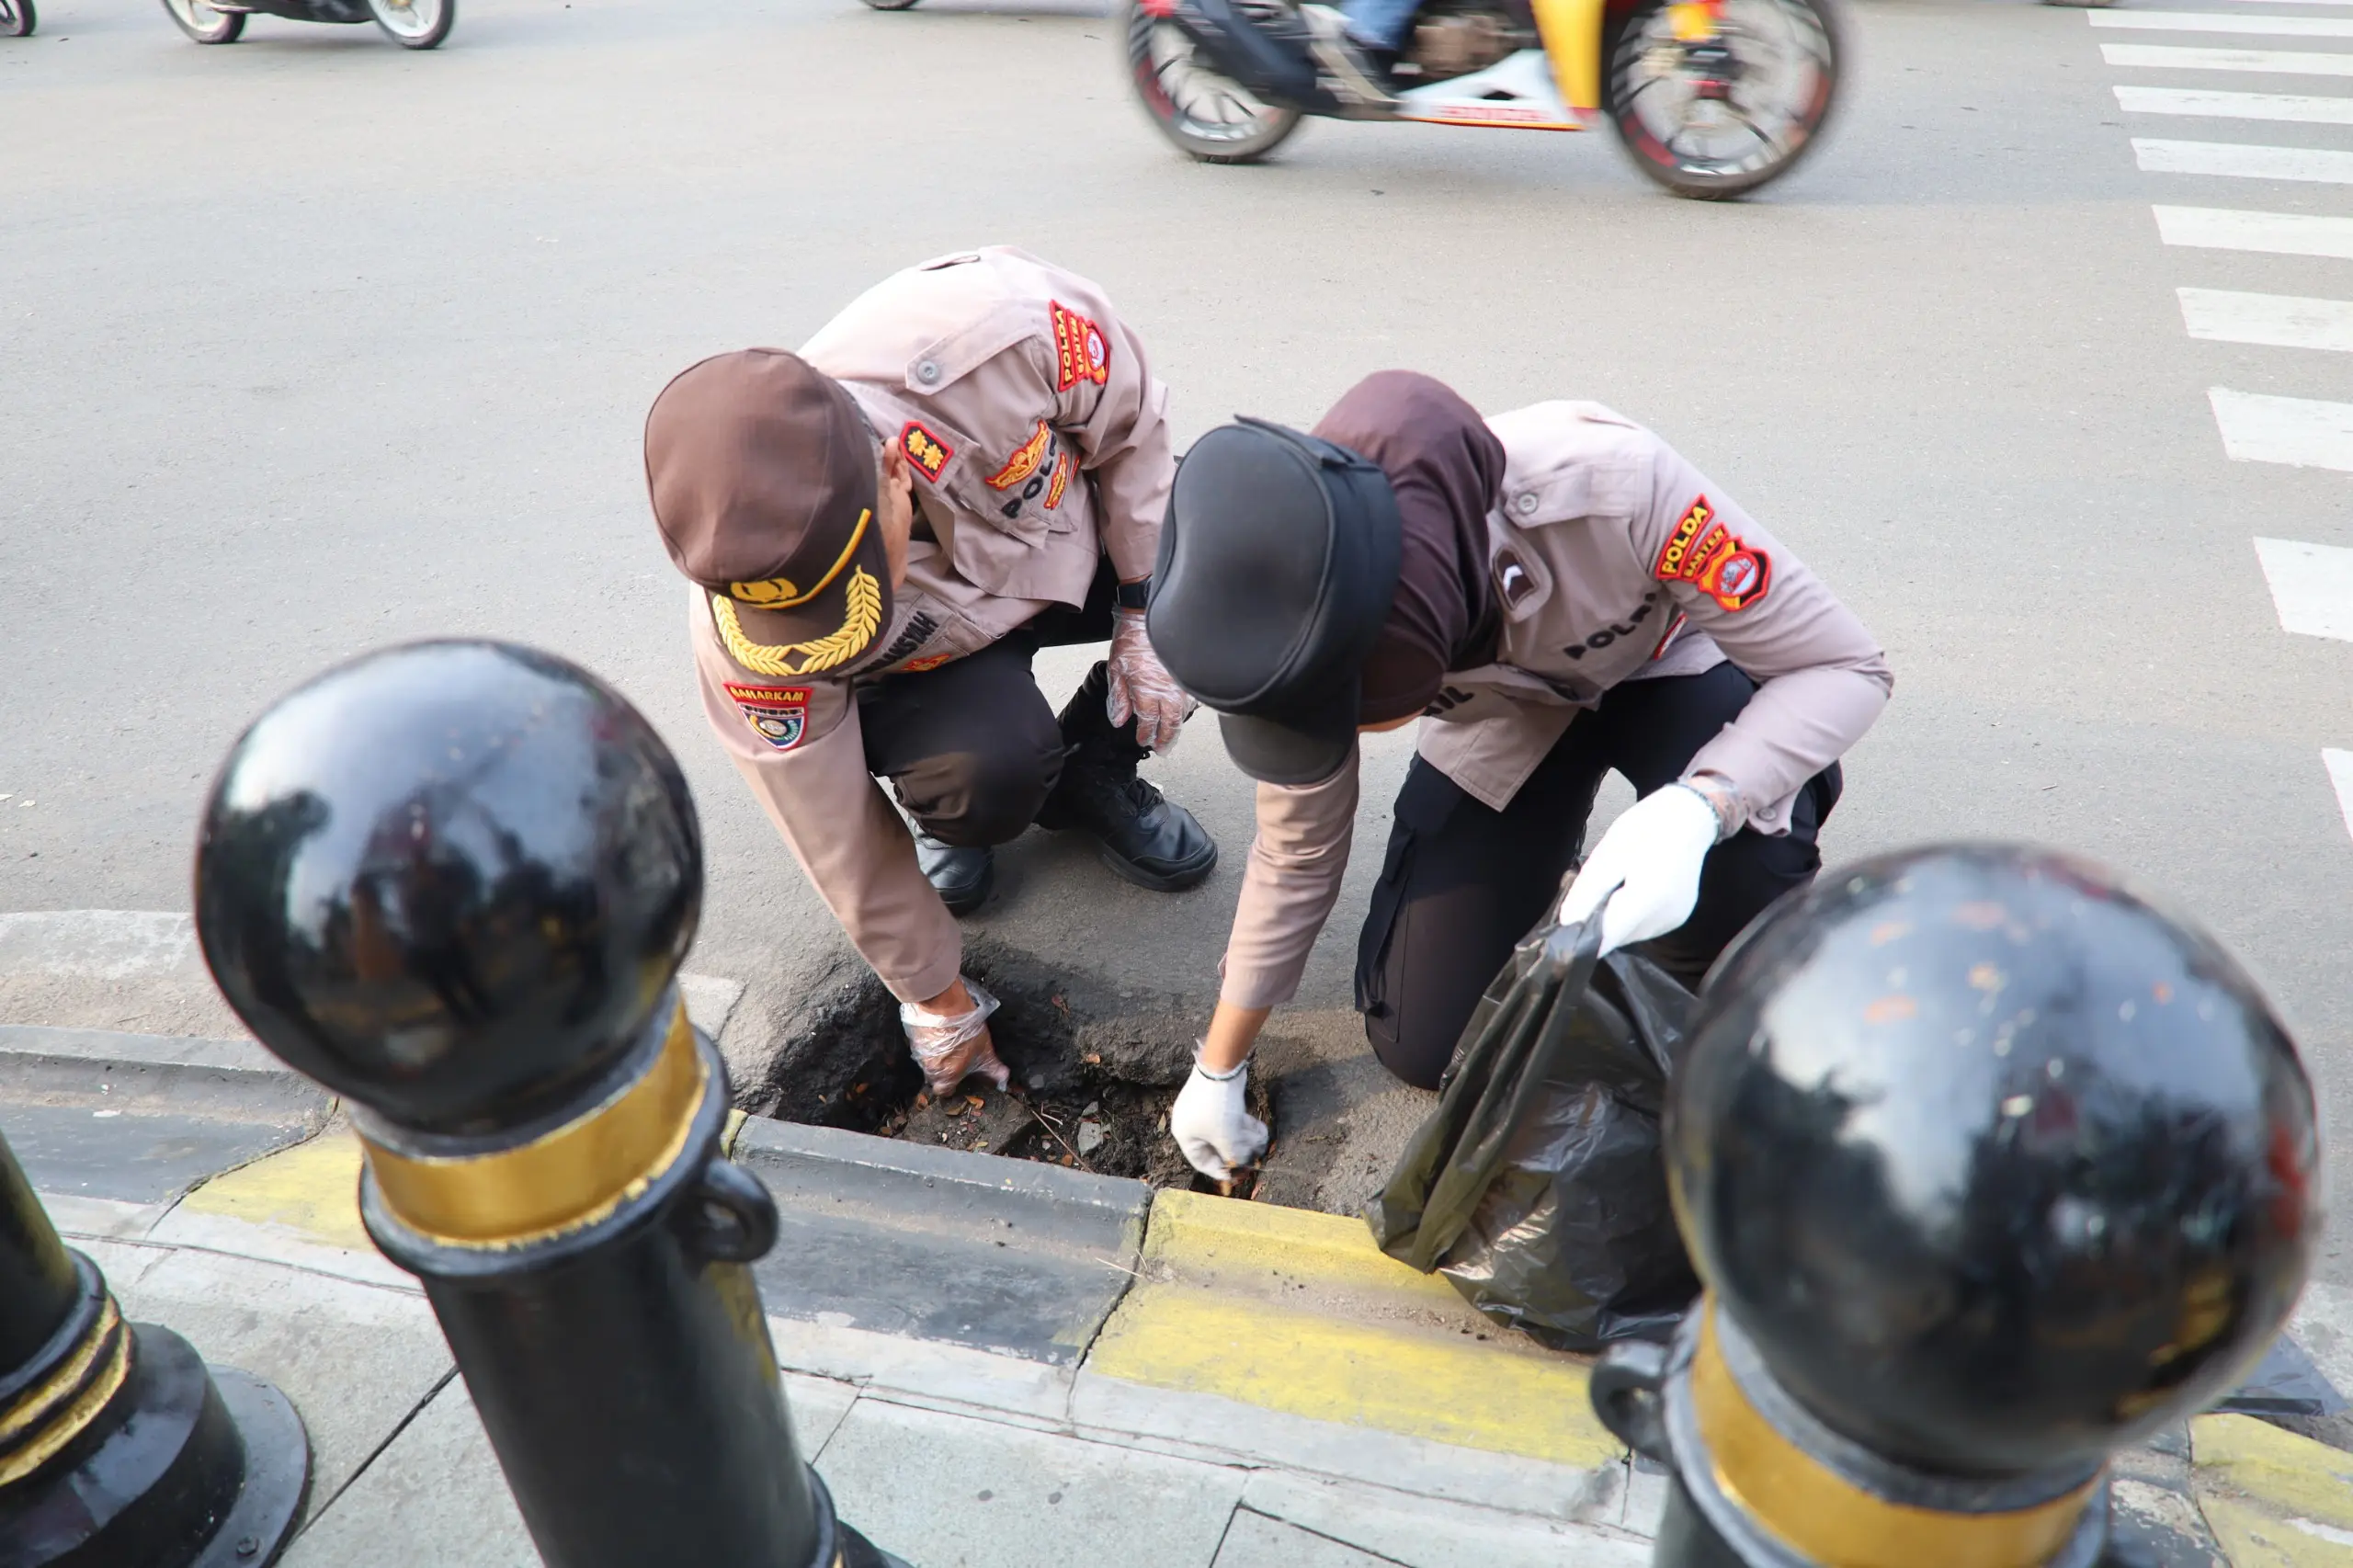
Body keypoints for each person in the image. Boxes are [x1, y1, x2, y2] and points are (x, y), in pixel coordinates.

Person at [1147, 371, 1891, 1178]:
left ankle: (1694, 936)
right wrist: (1218, 1067)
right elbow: (1295, 852)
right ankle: (1563, 883)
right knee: (1428, 1043)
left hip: (1666, 664)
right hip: (1507, 720)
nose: (1338, 736)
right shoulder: (1293, 616)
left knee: (1740, 884)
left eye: (1344, 716)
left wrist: (1705, 803)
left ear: (1409, 655)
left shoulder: (1609, 487)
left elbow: (1846, 666)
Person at [645, 248, 1215, 1096]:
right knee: (985, 780)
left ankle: (1095, 770)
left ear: (890, 471)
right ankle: (960, 819)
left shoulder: (1001, 332)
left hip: (1061, 548)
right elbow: (828, 824)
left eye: (851, 583)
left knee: (1223, 571)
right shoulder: (743, 627)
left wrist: (1143, 609)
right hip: (929, 659)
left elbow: (1132, 433)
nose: (825, 613)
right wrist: (933, 996)